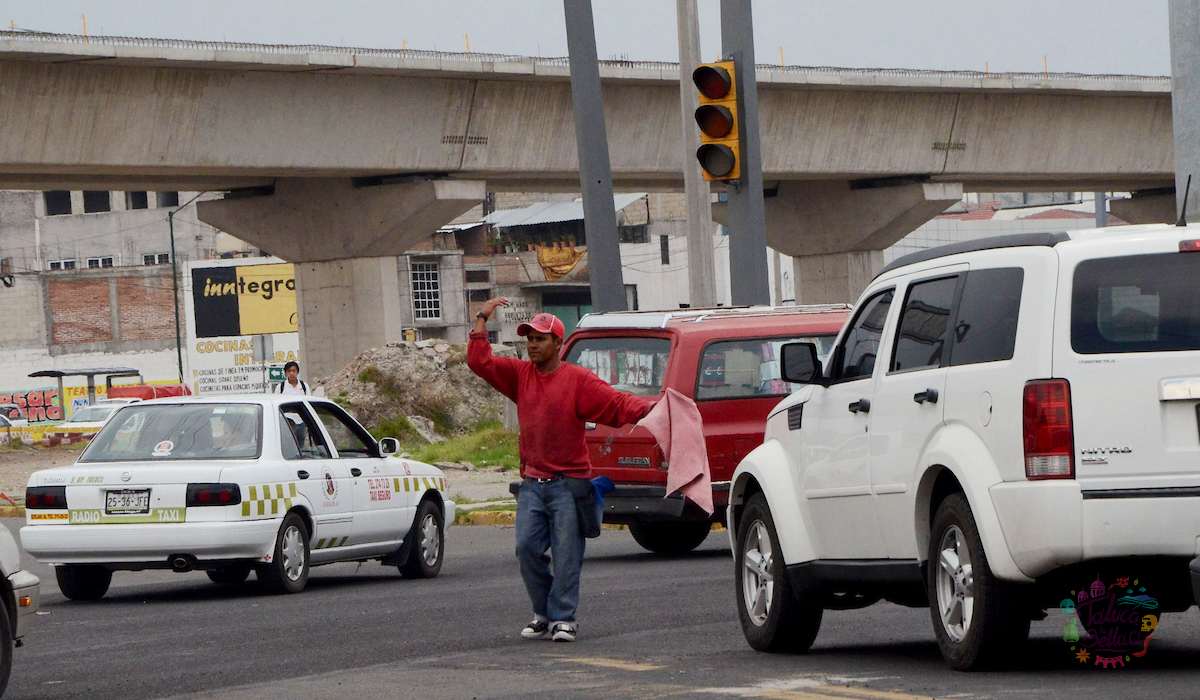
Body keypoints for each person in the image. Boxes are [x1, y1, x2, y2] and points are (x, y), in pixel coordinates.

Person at [467, 298, 654, 643]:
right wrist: (482, 317)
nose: (532, 345)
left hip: (570, 485)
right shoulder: (520, 375)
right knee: (526, 549)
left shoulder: (578, 380)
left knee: (567, 554)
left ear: (557, 343)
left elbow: (615, 404)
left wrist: (652, 409)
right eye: (529, 339)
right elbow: (479, 361)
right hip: (533, 484)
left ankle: (563, 618)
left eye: (539, 339)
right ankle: (543, 613)